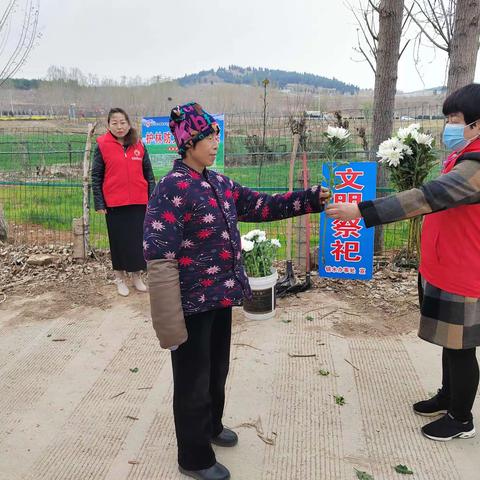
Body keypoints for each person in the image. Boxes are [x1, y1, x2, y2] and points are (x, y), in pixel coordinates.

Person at [144, 102, 329, 480]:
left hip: (220, 298)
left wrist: (310, 199)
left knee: (216, 370)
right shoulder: (171, 188)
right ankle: (193, 458)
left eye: (215, 135)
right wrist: (168, 322)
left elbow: (262, 205)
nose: (215, 142)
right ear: (187, 142)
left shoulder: (219, 182)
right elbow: (159, 256)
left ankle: (211, 427)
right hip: (190, 305)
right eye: (207, 136)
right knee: (192, 381)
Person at [326, 83, 480, 442]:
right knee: (449, 342)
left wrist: (361, 211)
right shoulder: (463, 157)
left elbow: (427, 197)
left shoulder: (476, 167)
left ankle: (461, 418)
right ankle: (448, 396)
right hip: (444, 264)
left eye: (455, 119)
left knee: (461, 347)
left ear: (477, 124)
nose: (449, 127)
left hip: (464, 270)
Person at [92, 107, 155, 296]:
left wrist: (151, 199)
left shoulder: (139, 145)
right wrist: (100, 203)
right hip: (114, 204)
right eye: (114, 123)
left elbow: (149, 175)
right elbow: (96, 176)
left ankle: (136, 276)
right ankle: (119, 277)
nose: (119, 127)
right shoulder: (102, 145)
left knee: (137, 241)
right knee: (118, 242)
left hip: (138, 202)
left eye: (122, 122)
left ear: (128, 124)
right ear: (108, 125)